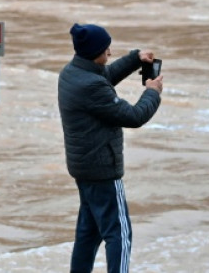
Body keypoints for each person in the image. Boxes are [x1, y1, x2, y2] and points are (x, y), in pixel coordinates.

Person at [57, 23, 163, 273]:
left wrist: (135, 59)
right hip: (102, 169)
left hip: (84, 168)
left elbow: (103, 77)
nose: (110, 52)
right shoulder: (92, 86)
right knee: (120, 233)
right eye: (106, 49)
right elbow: (134, 116)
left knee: (88, 232)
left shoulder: (72, 72)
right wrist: (153, 93)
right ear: (95, 52)